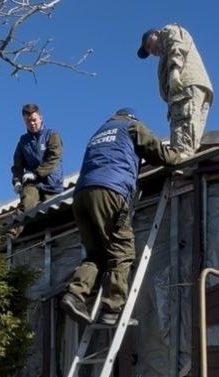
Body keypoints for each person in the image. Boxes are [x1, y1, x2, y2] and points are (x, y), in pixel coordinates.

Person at [62, 108, 185, 326]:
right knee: (122, 250)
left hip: (80, 195)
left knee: (96, 254)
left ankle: (75, 294)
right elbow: (158, 153)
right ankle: (112, 309)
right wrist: (179, 156)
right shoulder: (131, 126)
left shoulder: (98, 133)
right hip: (111, 190)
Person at [137, 24, 213, 155]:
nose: (151, 51)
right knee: (191, 138)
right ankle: (188, 166)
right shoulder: (164, 56)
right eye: (148, 51)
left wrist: (174, 71)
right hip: (195, 88)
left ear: (156, 33)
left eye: (149, 44)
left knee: (182, 139)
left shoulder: (168, 31)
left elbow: (175, 43)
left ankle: (181, 169)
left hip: (184, 87)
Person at [11, 103, 65, 212]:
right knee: (25, 207)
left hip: (52, 185)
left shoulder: (52, 135)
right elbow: (18, 165)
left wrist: (35, 174)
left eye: (34, 120)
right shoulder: (23, 141)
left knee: (53, 214)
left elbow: (53, 159)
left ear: (40, 118)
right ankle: (12, 229)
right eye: (28, 121)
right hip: (32, 184)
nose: (32, 123)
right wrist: (17, 181)